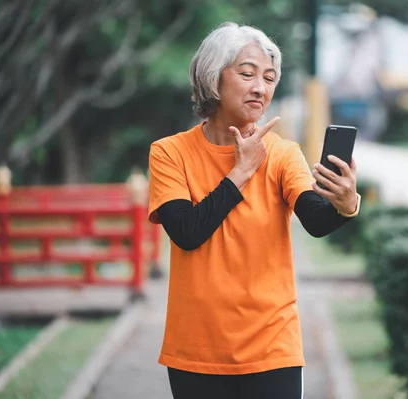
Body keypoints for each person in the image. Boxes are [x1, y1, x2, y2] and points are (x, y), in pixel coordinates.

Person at [147, 22, 362, 399]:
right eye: (247, 74)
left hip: (271, 345)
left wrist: (345, 206)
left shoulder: (282, 152)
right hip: (196, 348)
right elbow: (187, 232)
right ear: (213, 79)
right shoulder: (169, 153)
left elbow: (313, 217)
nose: (260, 88)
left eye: (269, 77)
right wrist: (241, 171)